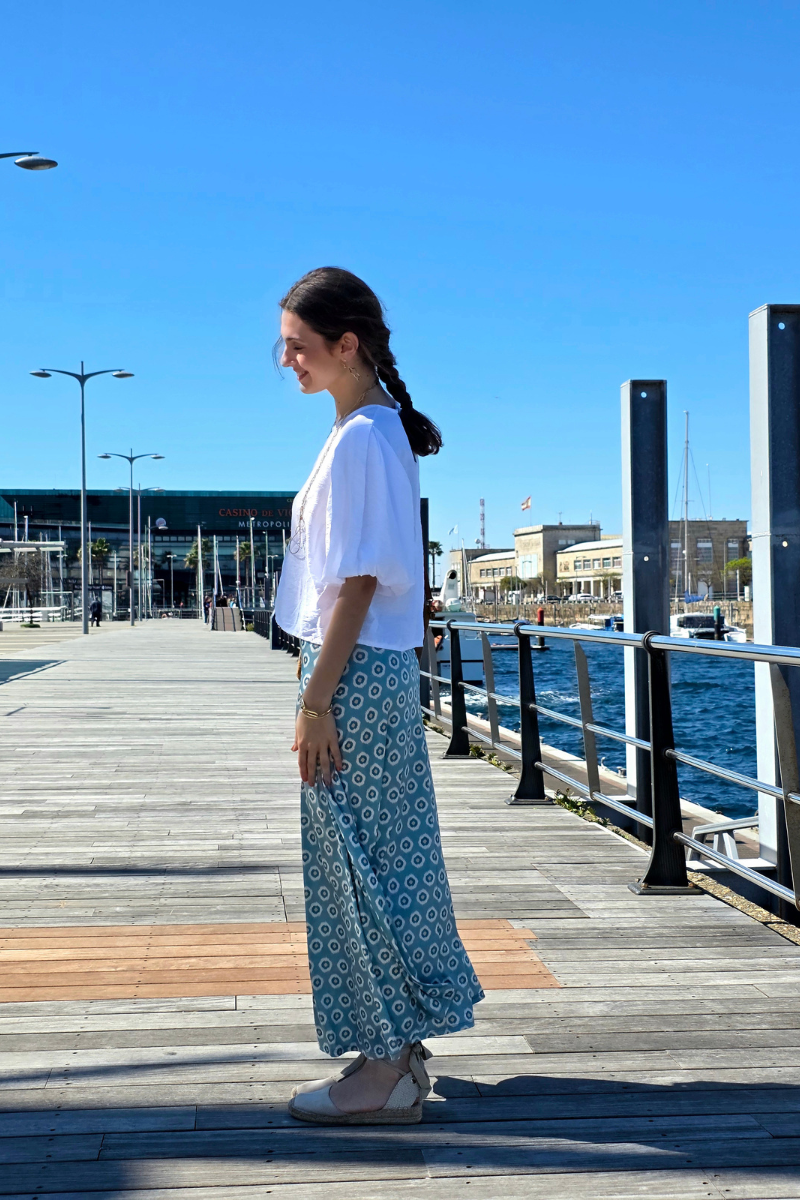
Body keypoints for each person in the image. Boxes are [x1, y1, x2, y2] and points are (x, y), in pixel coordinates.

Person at [274, 267, 482, 1127]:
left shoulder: (363, 436)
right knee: (386, 857)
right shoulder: (377, 430)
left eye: (298, 344)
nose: (286, 360)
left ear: (346, 342)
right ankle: (396, 1047)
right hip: (368, 671)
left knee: (355, 865)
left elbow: (355, 583)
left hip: (348, 675)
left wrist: (315, 701)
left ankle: (385, 1069)